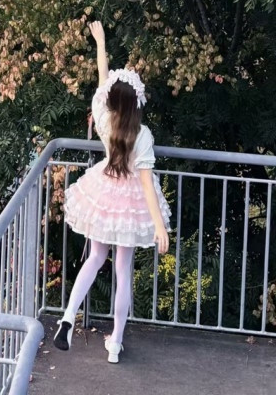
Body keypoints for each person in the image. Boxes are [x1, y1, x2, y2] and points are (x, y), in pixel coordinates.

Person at [53, 20, 172, 363]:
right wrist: (159, 226)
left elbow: (102, 81)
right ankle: (116, 342)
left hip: (104, 190)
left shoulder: (104, 119)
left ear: (113, 100)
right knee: (123, 269)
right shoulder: (143, 136)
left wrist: (101, 43)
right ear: (137, 103)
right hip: (131, 201)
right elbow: (147, 185)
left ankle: (67, 317)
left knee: (95, 257)